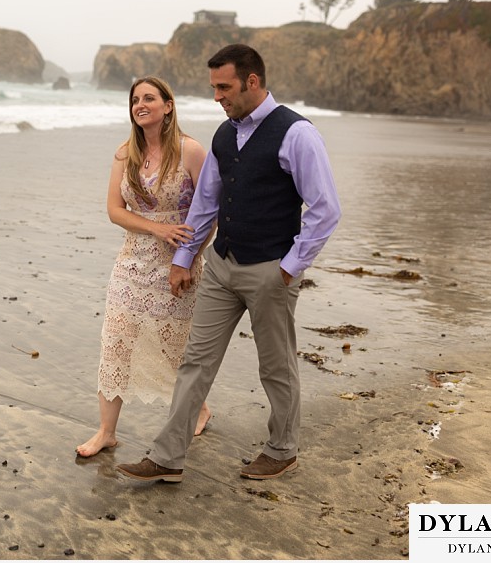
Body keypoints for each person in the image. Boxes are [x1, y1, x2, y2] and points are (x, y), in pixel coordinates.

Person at [116, 44, 341, 482]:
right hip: (221, 265)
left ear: (251, 82)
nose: (217, 96)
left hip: (270, 268)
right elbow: (205, 204)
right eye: (214, 88)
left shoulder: (297, 134)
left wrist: (290, 268)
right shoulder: (223, 135)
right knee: (195, 362)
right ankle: (167, 457)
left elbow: (325, 209)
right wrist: (184, 258)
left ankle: (282, 449)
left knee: (275, 365)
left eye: (225, 87)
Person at [76, 76, 213, 458]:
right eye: (135, 99)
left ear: (168, 105)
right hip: (132, 260)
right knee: (116, 340)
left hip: (179, 262)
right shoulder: (125, 154)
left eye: (149, 98)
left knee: (176, 346)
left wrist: (191, 258)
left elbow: (209, 212)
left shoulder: (192, 151)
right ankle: (106, 432)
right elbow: (114, 211)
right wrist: (156, 228)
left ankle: (199, 407)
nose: (141, 104)